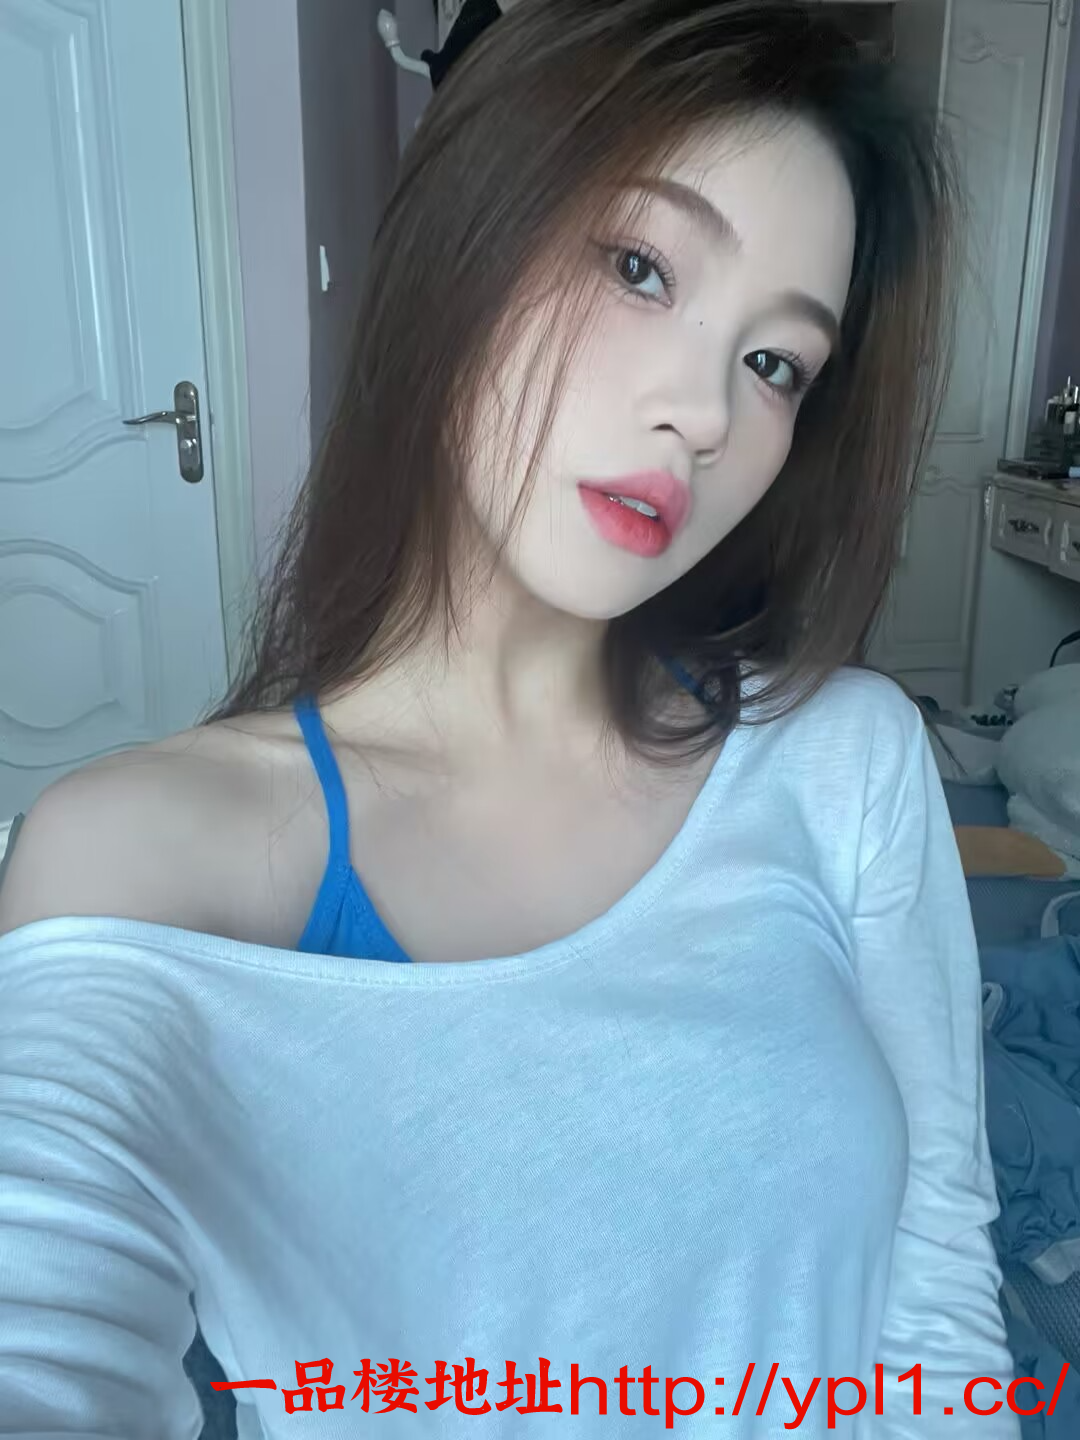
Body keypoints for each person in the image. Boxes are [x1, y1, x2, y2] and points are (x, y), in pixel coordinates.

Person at [0, 0, 1020, 1434]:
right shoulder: (144, 859)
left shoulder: (843, 754)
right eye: (641, 266)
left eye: (775, 363)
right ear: (468, 234)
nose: (707, 414)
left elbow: (939, 1274)